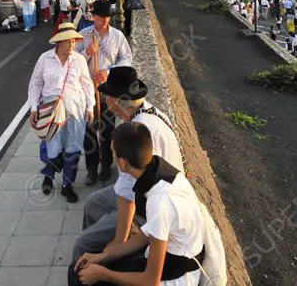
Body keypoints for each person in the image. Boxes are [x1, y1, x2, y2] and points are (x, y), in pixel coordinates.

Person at [71, 122, 219, 286]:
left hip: (177, 276)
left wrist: (103, 274)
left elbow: (150, 281)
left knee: (81, 278)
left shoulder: (160, 202)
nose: (112, 155)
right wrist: (104, 256)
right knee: (82, 270)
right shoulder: (159, 171)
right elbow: (146, 235)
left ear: (122, 163)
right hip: (168, 259)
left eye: (113, 153)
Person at [73, 66, 184, 265]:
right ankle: (98, 252)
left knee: (82, 243)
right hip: (147, 188)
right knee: (93, 203)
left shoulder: (138, 132)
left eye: (107, 95)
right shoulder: (146, 114)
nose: (105, 100)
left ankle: (90, 264)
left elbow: (128, 197)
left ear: (115, 102)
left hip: (151, 204)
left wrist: (118, 243)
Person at [28, 23, 94, 203]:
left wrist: (90, 107)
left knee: (72, 147)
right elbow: (36, 84)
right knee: (51, 146)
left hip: (75, 110)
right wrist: (34, 108)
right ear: (59, 42)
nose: (72, 45)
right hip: (51, 112)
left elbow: (87, 84)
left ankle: (67, 185)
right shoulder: (45, 59)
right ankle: (48, 175)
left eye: (74, 41)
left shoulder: (79, 59)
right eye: (68, 41)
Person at [77, 0, 134, 186]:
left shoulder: (117, 36)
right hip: (88, 91)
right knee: (89, 132)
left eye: (108, 17)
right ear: (94, 17)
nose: (106, 21)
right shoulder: (83, 35)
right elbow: (73, 61)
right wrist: (87, 52)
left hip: (108, 91)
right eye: (102, 18)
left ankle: (106, 166)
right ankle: (91, 169)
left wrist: (109, 72)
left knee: (107, 131)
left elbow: (127, 57)